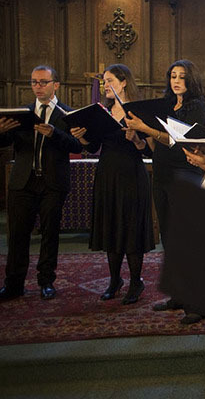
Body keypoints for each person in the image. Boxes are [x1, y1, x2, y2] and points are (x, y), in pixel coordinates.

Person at [124, 59, 205, 324]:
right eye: (173, 76)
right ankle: (178, 296)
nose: (176, 81)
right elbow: (153, 146)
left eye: (182, 77)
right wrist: (138, 138)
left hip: (184, 176)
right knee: (169, 240)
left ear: (191, 80)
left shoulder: (197, 107)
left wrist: (146, 128)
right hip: (161, 176)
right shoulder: (163, 104)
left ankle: (198, 304)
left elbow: (177, 141)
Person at [71, 64, 155, 305]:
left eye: (109, 80)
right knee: (112, 226)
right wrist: (82, 137)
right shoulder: (103, 112)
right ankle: (114, 280)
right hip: (107, 174)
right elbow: (93, 146)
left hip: (131, 174)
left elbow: (148, 149)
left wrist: (137, 138)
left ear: (124, 82)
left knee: (130, 228)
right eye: (103, 81)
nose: (104, 85)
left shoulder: (137, 112)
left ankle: (136, 282)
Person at [0, 65, 83, 301]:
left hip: (52, 183)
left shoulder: (68, 114)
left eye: (43, 82)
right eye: (34, 82)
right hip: (22, 182)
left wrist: (54, 133)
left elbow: (78, 146)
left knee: (50, 234)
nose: (38, 86)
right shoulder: (22, 112)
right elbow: (5, 141)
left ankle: (46, 281)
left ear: (55, 85)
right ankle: (14, 284)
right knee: (17, 234)